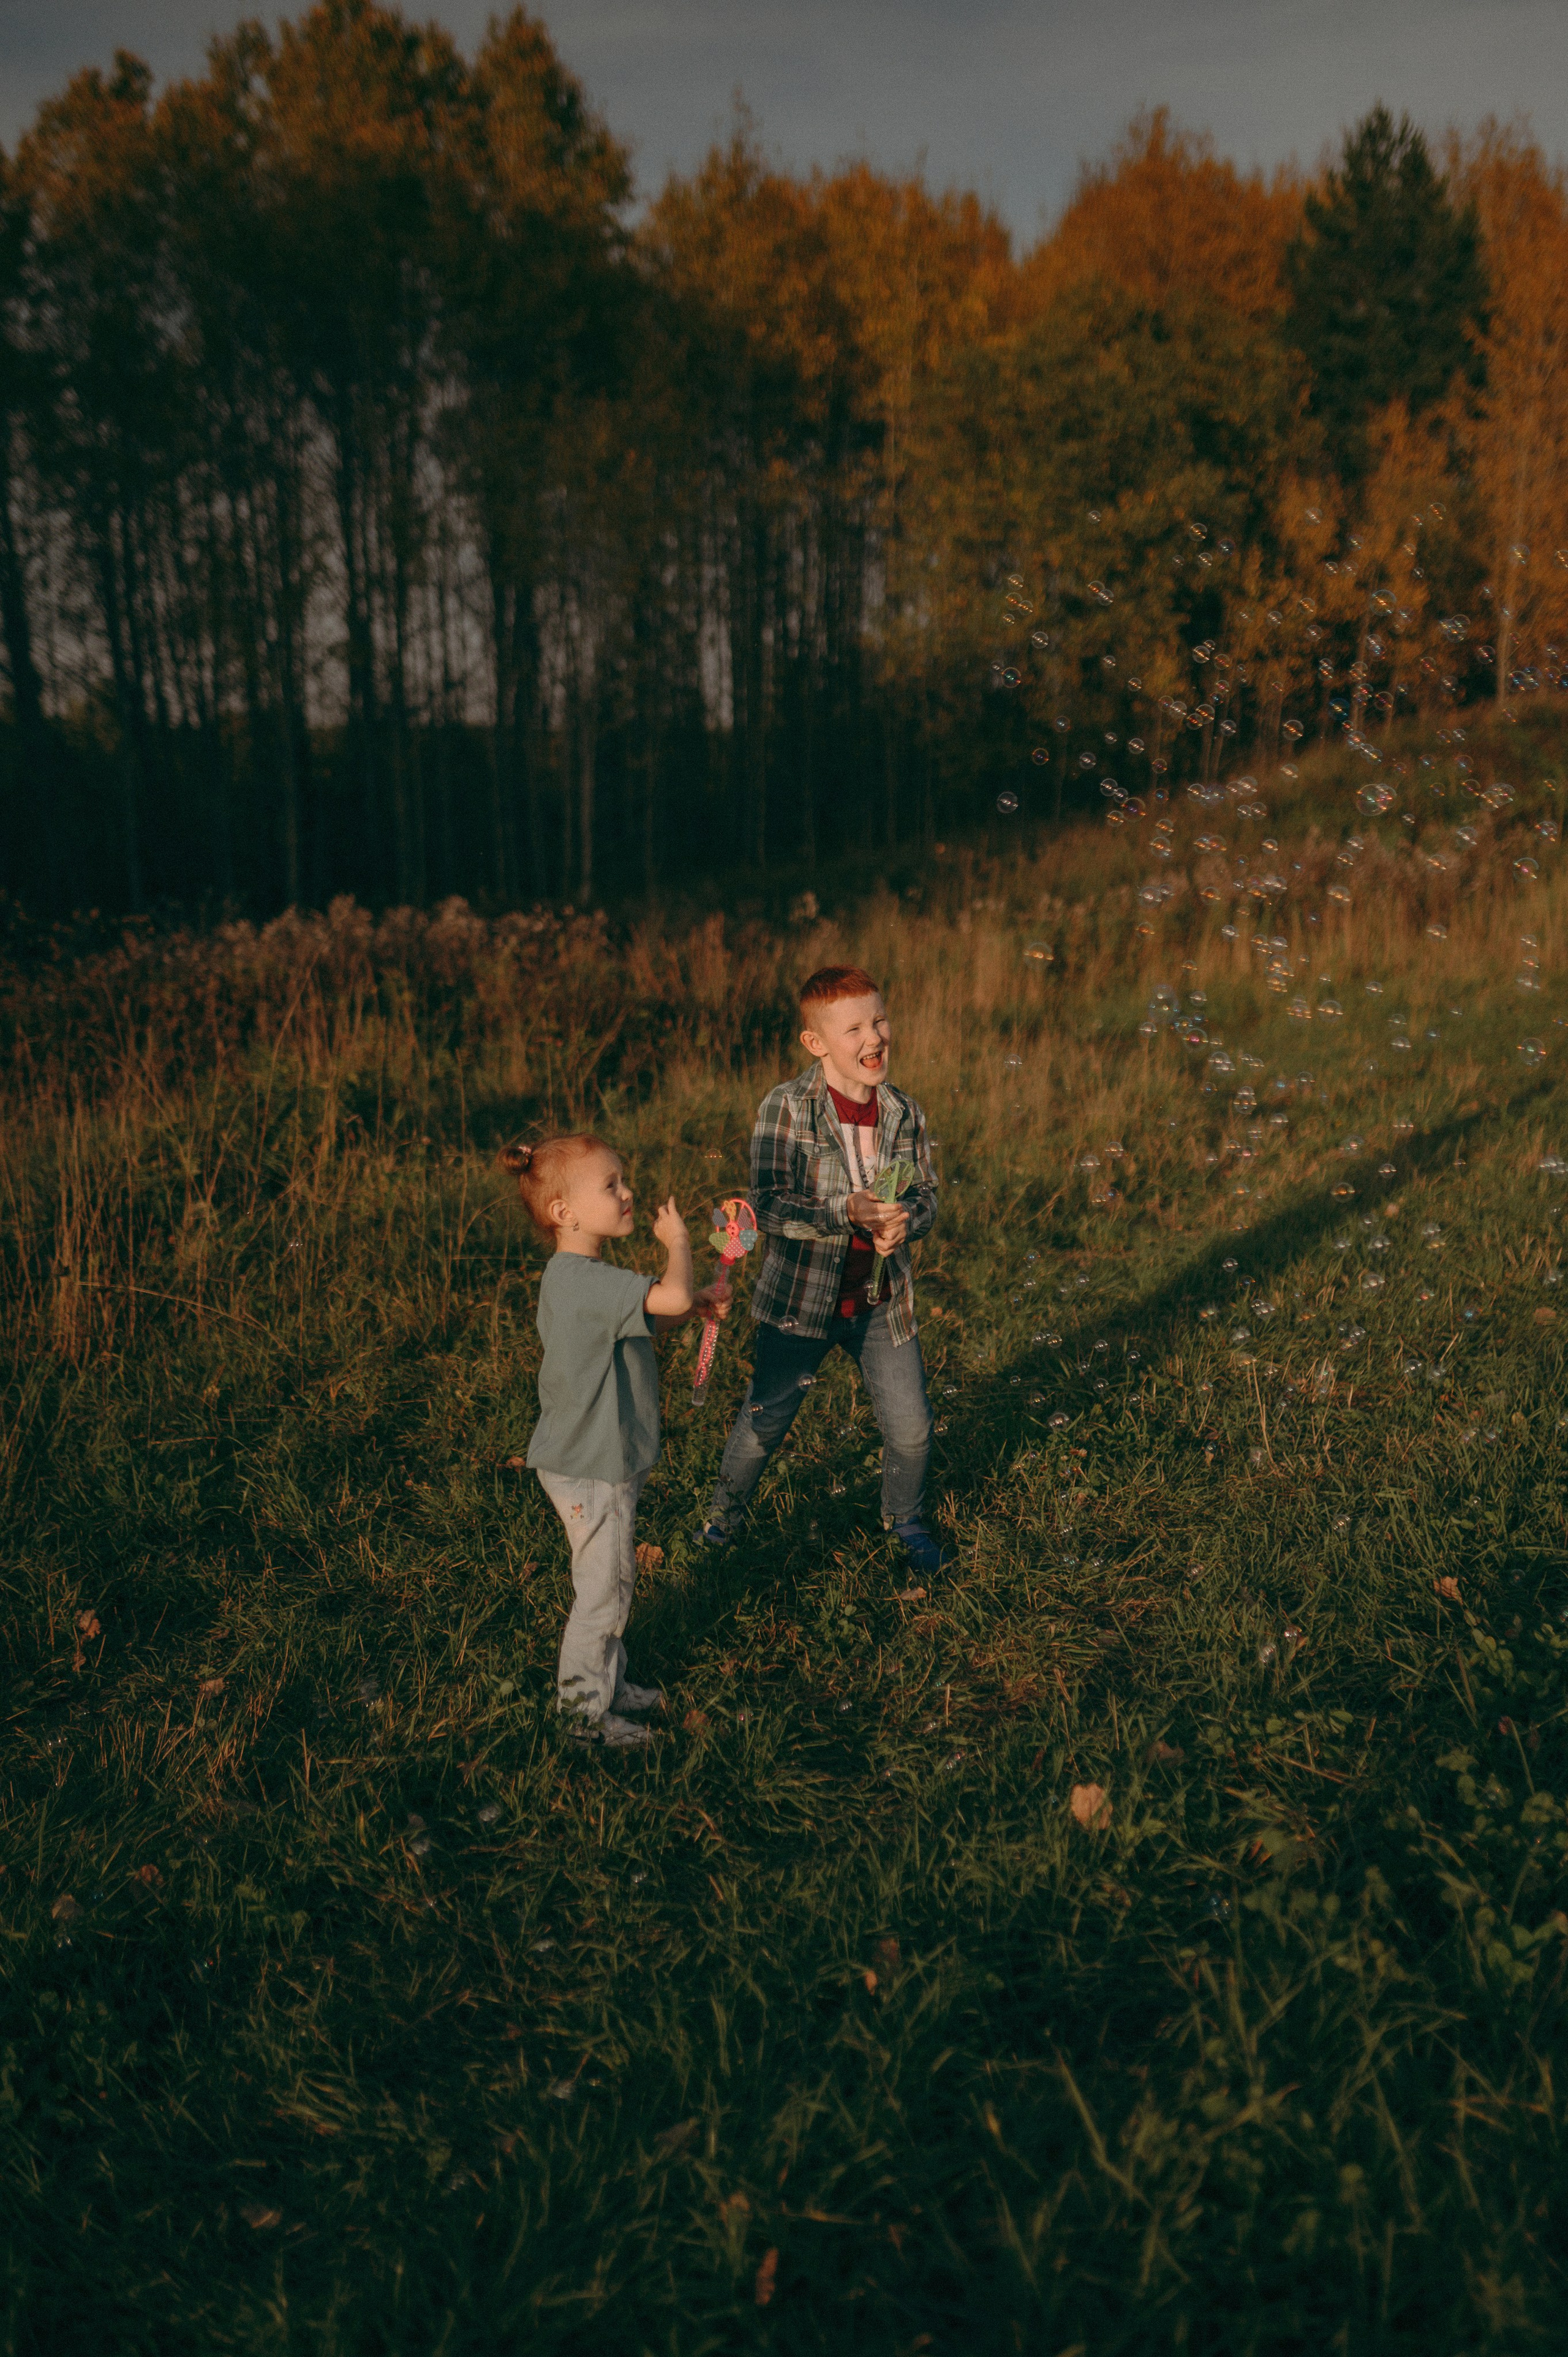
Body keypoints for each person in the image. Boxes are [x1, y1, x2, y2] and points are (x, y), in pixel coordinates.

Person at [699, 964, 952, 1577]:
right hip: (800, 1305)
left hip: (881, 1302)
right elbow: (770, 1204)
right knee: (764, 1425)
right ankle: (719, 1525)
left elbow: (926, 1193)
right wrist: (848, 1211)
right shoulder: (787, 1108)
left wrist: (905, 1221)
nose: (875, 1037)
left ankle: (905, 1517)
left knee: (912, 1430)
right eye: (855, 1028)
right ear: (815, 1042)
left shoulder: (902, 1112)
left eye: (879, 1019)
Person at [500, 1134, 727, 1747]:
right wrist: (680, 1243)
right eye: (611, 1186)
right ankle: (582, 1719)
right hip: (590, 1468)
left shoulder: (582, 1277)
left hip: (598, 1458)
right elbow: (668, 1291)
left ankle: (607, 1680)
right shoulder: (581, 1280)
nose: (627, 1193)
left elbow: (656, 1312)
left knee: (614, 1580)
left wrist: (695, 1305)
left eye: (623, 1179)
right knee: (602, 1592)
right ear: (563, 1213)